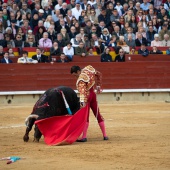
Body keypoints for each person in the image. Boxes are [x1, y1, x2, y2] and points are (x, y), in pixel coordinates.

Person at [70, 65, 108, 142]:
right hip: (93, 95)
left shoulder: (81, 79)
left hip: (87, 97)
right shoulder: (89, 69)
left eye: (75, 75)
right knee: (98, 115)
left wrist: (82, 102)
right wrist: (98, 86)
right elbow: (99, 74)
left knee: (85, 117)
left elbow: (82, 92)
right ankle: (105, 135)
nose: (75, 77)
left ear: (78, 71)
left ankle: (84, 137)